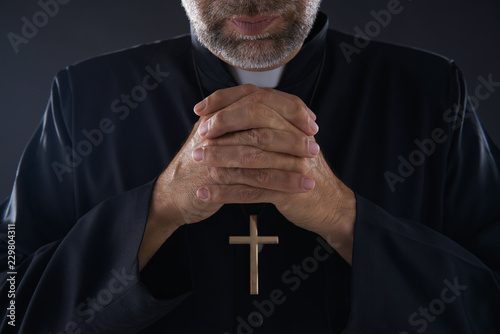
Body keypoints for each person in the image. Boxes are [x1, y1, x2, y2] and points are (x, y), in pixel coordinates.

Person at [1, 0, 499, 333]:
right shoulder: (83, 96)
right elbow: (9, 304)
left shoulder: (432, 94)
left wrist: (345, 218)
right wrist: (158, 209)